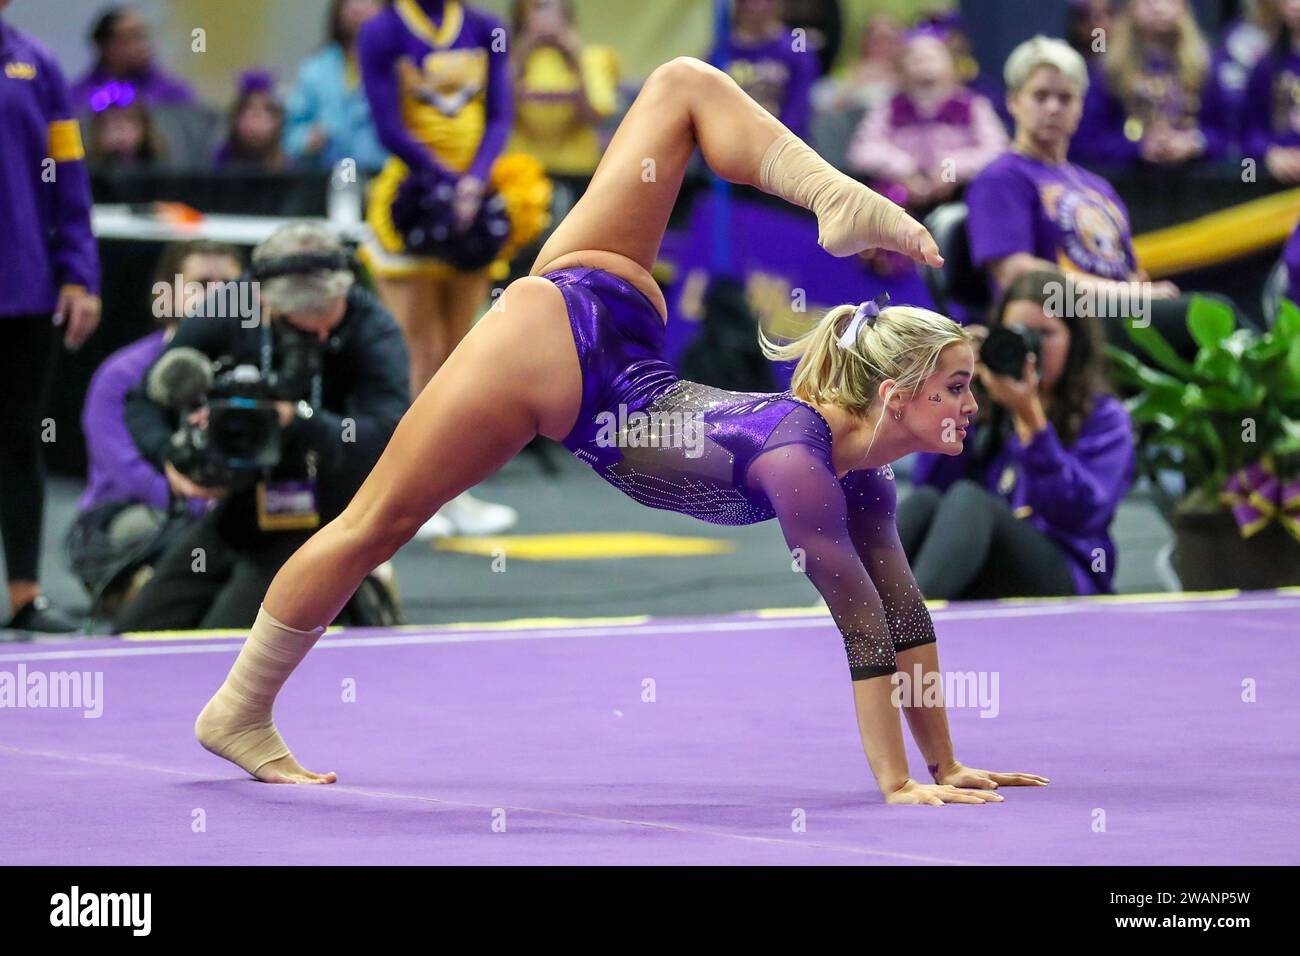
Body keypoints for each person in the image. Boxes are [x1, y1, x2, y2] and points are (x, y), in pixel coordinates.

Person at [194, 56, 1049, 806]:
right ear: (895, 396)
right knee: (373, 525)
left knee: (679, 86)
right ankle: (238, 708)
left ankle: (831, 194)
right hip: (555, 357)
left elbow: (906, 621)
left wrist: (947, 763)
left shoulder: (863, 476)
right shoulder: (800, 464)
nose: (975, 405)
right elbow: (863, 635)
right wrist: (899, 785)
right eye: (958, 388)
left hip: (614, 326)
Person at [116, 223, 409, 631]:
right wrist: (171, 458)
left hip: (328, 512)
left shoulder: (373, 329)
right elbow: (146, 397)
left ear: (344, 290)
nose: (319, 332)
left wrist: (299, 420)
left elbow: (386, 437)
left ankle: (356, 589)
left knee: (227, 639)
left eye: (326, 316)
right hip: (242, 502)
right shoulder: (232, 305)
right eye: (299, 321)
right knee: (137, 632)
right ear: (262, 297)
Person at [357, 0, 552, 537]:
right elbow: (388, 125)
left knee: (462, 356)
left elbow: (500, 114)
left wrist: (475, 180)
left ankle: (455, 492)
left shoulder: (487, 27)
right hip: (414, 204)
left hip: (475, 200)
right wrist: (445, 179)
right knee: (418, 358)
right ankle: (407, 499)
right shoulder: (383, 30)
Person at [964, 34, 1246, 362]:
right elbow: (1017, 275)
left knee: (1214, 333)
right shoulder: (1001, 177)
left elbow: (1129, 271)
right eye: (1040, 96)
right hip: (1058, 320)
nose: (1053, 108)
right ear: (1013, 103)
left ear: (1080, 107)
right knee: (1212, 315)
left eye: (1065, 98)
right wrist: (1127, 296)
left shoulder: (1096, 185)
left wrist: (1135, 292)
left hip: (1118, 313)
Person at [901, 270, 1136, 599]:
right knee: (923, 504)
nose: (1030, 348)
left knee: (971, 500)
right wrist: (953, 390)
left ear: (1074, 340)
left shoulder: (1106, 417)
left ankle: (909, 629)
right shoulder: (988, 404)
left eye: (1045, 334)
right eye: (1018, 334)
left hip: (1067, 572)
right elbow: (931, 488)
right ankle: (844, 618)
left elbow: (1080, 514)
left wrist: (1032, 420)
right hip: (981, 566)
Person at [0, 0, 101, 634]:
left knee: (18, 443)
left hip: (24, 292)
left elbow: (68, 174)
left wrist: (80, 274)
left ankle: (24, 595)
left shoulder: (36, 64)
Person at [847, 27, 1007, 210]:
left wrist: (950, 169)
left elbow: (996, 150)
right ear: (902, 66)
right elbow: (862, 150)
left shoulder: (973, 106)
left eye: (932, 56)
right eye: (915, 57)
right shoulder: (888, 108)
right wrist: (905, 170)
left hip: (959, 198)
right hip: (899, 199)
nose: (924, 63)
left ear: (951, 65)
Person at [1070, 0, 1228, 168]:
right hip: (1129, 182)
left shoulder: (1205, 65)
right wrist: (1136, 148)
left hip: (1196, 182)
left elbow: (1228, 136)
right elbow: (1087, 141)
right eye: (1147, 1)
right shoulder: (1108, 69)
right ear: (1130, 8)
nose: (1159, 8)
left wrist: (1194, 142)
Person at [507, 0, 620, 177]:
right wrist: (523, 51)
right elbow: (499, 112)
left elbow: (595, 115)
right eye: (538, 9)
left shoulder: (593, 58)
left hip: (578, 171)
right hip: (520, 171)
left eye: (551, 9)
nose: (546, 20)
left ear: (566, 15)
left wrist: (575, 56)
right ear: (522, 15)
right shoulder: (506, 60)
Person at [283, 0, 388, 173]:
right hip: (325, 178)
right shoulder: (315, 68)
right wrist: (307, 139)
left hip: (382, 176)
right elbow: (289, 136)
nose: (358, 8)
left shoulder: (400, 66)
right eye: (350, 2)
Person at [710, 0, 818, 141]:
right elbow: (713, 111)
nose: (757, 6)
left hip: (783, 146)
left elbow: (798, 110)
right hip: (729, 146)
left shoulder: (797, 49)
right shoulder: (720, 52)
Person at [69, 5, 194, 112]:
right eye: (132, 37)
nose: (143, 45)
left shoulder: (172, 94)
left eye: (144, 36)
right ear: (106, 46)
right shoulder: (80, 99)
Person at [1242, 0, 1300, 182]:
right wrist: (1270, 152)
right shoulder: (1266, 67)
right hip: (1276, 186)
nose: (1295, 5)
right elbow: (1249, 132)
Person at [214, 72, 290, 172]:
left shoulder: (285, 162)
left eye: (266, 110)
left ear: (277, 119)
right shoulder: (223, 158)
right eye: (248, 109)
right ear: (236, 117)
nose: (256, 121)